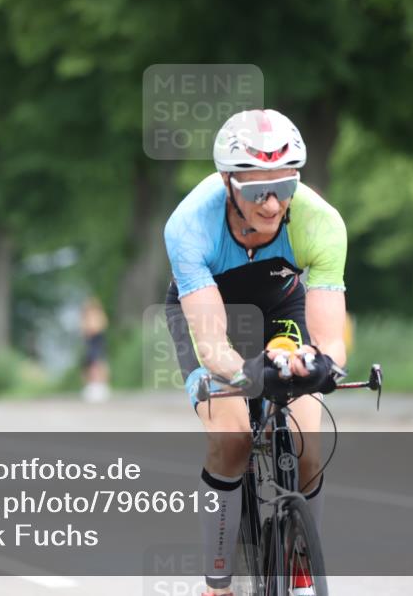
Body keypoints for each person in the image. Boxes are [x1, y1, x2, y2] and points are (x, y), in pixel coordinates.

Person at [163, 109, 348, 596]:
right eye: (255, 190)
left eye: (284, 187)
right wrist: (249, 371)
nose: (271, 204)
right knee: (231, 438)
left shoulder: (322, 222)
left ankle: (303, 563)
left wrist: (321, 365)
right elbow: (213, 347)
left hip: (279, 303)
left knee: (309, 441)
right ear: (227, 183)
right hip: (209, 313)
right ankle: (218, 582)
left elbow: (330, 338)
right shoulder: (189, 227)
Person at [80, 296, 111, 403]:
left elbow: (98, 327)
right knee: (89, 364)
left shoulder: (98, 315)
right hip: (90, 343)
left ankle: (100, 385)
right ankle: (91, 385)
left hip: (97, 341)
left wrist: (90, 329)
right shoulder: (85, 317)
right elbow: (84, 330)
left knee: (98, 363)